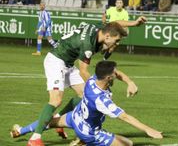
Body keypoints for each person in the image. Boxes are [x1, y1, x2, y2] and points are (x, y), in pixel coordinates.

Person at [14, 18, 147, 146]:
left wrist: (134, 24)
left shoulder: (100, 29)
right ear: (107, 37)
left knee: (83, 95)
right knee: (56, 100)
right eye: (116, 40)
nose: (116, 43)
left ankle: (58, 121)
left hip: (68, 63)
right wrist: (97, 90)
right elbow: (84, 71)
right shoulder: (87, 45)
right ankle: (35, 138)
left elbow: (114, 24)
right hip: (56, 60)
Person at [12, 61, 163, 146]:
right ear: (109, 78)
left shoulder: (92, 79)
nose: (117, 75)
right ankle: (83, 143)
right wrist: (149, 130)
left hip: (75, 117)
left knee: (50, 122)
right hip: (89, 131)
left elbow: (116, 73)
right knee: (127, 144)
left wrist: (129, 82)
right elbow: (125, 117)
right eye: (114, 75)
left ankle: (20, 131)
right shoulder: (102, 100)